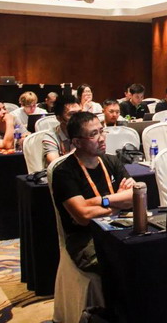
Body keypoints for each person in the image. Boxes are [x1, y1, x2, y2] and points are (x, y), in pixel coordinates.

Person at [52, 112, 134, 272]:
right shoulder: (64, 172)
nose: (102, 138)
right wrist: (118, 203)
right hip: (85, 239)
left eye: (102, 131)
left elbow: (135, 196)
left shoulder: (112, 161)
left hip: (119, 227)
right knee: (123, 261)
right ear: (77, 142)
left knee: (150, 250)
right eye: (93, 134)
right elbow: (83, 216)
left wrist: (101, 201)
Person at [42, 95, 82, 165]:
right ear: (59, 118)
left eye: (80, 113)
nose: (78, 118)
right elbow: (55, 164)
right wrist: (76, 152)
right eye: (71, 114)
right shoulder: (51, 137)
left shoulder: (86, 132)